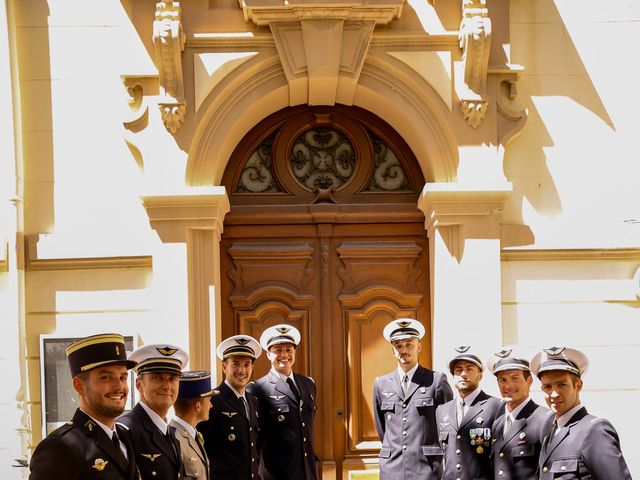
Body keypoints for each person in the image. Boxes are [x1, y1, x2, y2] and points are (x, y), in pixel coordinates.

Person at [29, 333, 139, 479]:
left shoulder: (124, 437)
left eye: (123, 377)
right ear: (79, 385)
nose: (119, 386)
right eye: (106, 377)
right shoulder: (60, 447)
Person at [532, 347, 632, 479]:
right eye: (547, 387)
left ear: (578, 385)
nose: (554, 394)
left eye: (561, 385)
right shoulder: (550, 432)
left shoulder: (594, 431)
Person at [372, 318, 453, 480]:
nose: (404, 350)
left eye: (409, 344)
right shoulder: (381, 384)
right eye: (398, 346)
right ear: (393, 350)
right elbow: (382, 429)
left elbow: (449, 426)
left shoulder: (436, 381)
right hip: (391, 468)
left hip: (426, 468)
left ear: (419, 347)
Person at [249, 324, 318, 480]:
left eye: (288, 349)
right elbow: (255, 438)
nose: (284, 354)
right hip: (276, 474)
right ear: (268, 354)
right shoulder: (257, 389)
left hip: (308, 471)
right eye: (278, 350)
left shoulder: (308, 384)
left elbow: (306, 425)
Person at [118, 343, 188, 479]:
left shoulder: (169, 432)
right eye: (157, 378)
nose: (167, 386)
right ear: (139, 385)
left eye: (173, 379)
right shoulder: (125, 431)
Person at [198, 335, 262, 479]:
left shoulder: (253, 401)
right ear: (224, 367)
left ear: (252, 367)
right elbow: (201, 451)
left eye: (246, 365)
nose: (241, 371)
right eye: (235, 364)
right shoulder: (211, 401)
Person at [436, 345, 502, 480]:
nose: (463, 374)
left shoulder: (496, 406)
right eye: (458, 370)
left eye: (469, 369)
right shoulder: (442, 410)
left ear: (480, 375)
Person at [487, 348, 551, 479]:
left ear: (529, 381)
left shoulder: (544, 419)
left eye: (514, 378)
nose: (508, 385)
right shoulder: (498, 423)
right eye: (502, 380)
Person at [170, 371, 216, 480]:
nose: (211, 405)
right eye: (209, 400)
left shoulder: (193, 435)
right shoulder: (174, 439)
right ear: (198, 406)